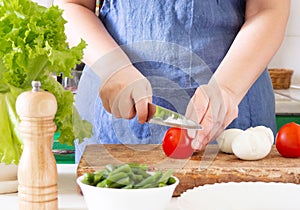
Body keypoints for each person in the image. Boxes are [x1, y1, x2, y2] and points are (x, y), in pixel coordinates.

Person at [57, 0, 290, 163]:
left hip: (237, 100)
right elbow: (72, 6)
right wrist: (113, 67)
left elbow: (269, 9)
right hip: (116, 109)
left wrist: (227, 88)